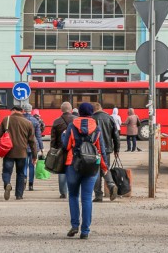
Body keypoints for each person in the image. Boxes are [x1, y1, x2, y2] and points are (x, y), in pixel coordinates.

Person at [62, 102, 107, 240]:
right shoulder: (97, 128)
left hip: (73, 164)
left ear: (79, 112)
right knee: (87, 199)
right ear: (91, 113)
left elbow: (66, 146)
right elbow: (101, 150)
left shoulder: (71, 126)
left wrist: (64, 136)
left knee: (74, 196)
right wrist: (104, 168)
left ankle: (75, 225)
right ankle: (85, 231)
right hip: (91, 166)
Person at [0, 105, 37, 201]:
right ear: (21, 111)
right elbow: (32, 142)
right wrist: (34, 156)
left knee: (6, 171)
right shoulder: (28, 123)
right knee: (21, 173)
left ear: (14, 110)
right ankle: (19, 195)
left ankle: (7, 184)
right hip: (22, 152)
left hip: (8, 151)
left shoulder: (6, 120)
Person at [92, 102, 119, 202]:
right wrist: (117, 149)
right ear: (101, 108)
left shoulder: (91, 119)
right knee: (105, 168)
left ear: (93, 110)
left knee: (95, 172)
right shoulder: (109, 118)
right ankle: (111, 185)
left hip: (94, 150)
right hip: (106, 150)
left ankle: (98, 195)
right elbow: (116, 135)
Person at [51, 101, 74, 199]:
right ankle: (73, 189)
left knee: (61, 171)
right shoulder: (76, 120)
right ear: (71, 109)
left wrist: (53, 150)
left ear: (61, 110)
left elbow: (53, 138)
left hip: (62, 149)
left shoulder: (57, 121)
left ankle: (63, 192)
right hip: (74, 149)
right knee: (74, 170)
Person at [23, 104, 44, 191]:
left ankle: (23, 180)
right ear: (31, 110)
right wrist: (42, 147)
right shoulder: (35, 121)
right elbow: (38, 136)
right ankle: (31, 184)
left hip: (23, 146)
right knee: (32, 165)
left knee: (24, 165)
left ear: (23, 110)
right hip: (33, 146)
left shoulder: (21, 119)